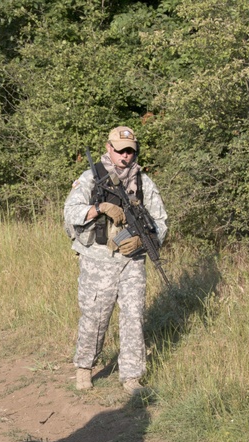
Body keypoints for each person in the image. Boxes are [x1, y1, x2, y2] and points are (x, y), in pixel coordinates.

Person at [63, 126, 168, 396]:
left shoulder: (143, 182)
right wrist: (98, 208)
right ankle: (84, 367)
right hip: (98, 258)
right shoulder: (91, 177)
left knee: (134, 315)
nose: (125, 155)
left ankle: (132, 376)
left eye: (130, 150)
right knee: (96, 315)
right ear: (109, 148)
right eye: (120, 150)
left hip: (132, 260)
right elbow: (70, 211)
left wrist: (147, 241)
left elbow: (160, 222)